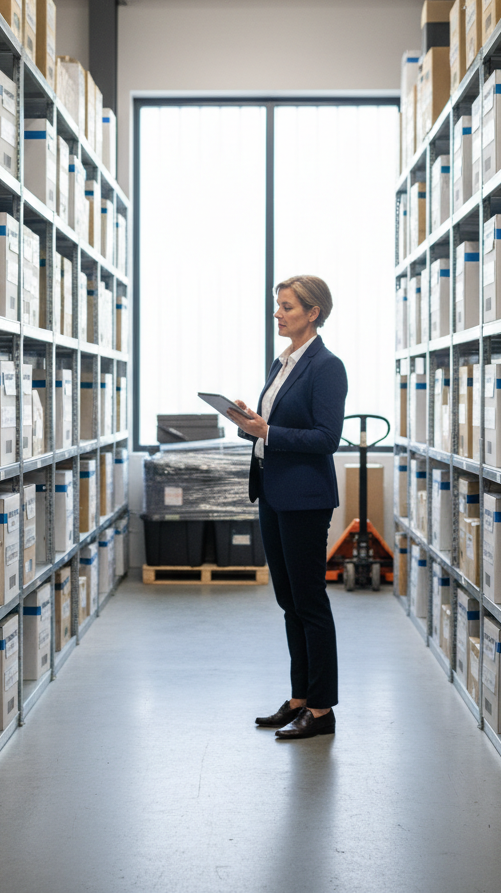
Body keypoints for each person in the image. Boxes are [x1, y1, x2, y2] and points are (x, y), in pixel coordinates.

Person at [227, 275, 347, 740]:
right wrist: (250, 423)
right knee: (288, 602)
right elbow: (272, 425)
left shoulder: (326, 366)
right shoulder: (283, 363)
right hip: (274, 494)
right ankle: (300, 698)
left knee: (310, 603)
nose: (277, 313)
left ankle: (321, 710)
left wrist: (268, 433)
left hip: (304, 499)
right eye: (277, 305)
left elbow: (325, 439)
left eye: (288, 306)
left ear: (313, 313)